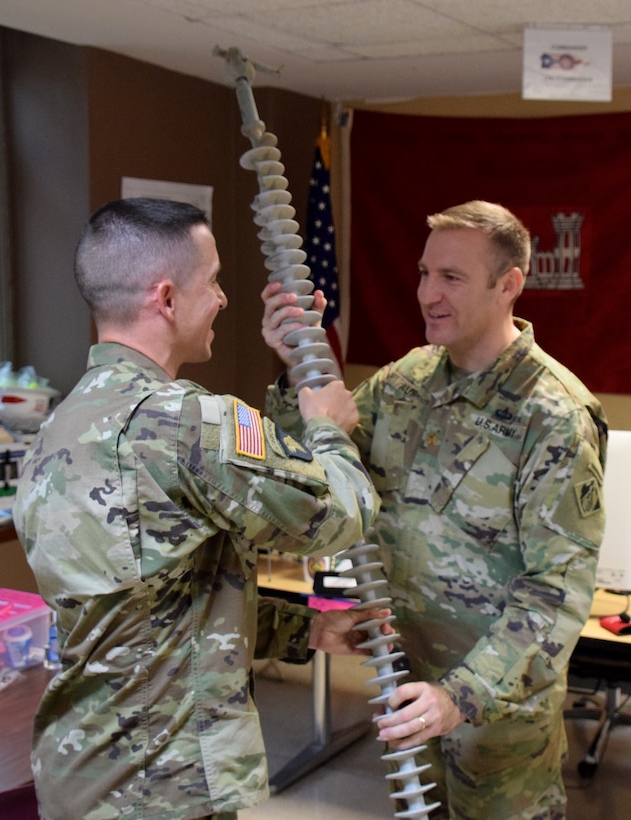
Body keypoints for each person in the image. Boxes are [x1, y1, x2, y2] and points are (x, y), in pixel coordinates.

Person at [13, 197, 384, 820]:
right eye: (211, 282)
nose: (222, 299)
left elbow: (147, 608)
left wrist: (305, 629)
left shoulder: (58, 429)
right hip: (166, 787)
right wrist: (329, 429)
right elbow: (342, 514)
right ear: (165, 298)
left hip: (79, 777)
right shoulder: (191, 422)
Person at [261, 200, 608, 819]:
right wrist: (296, 372)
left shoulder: (552, 417)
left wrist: (462, 697)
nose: (427, 293)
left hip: (495, 718)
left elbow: (556, 592)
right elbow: (317, 464)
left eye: (451, 277)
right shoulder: (407, 381)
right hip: (407, 682)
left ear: (509, 286)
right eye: (424, 273)